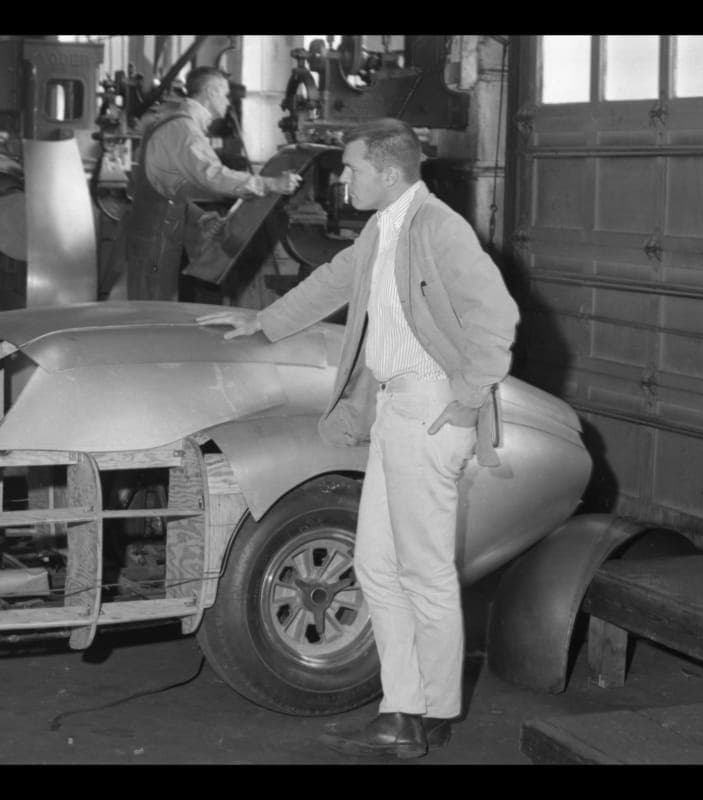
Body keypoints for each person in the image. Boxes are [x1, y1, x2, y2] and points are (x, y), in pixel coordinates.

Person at [196, 118, 519, 760]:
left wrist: (467, 398)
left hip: (431, 407)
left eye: (352, 169)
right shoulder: (382, 227)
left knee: (424, 571)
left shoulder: (440, 228)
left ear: (390, 173)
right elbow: (334, 281)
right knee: (375, 564)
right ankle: (404, 706)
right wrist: (262, 322)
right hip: (395, 409)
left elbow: (497, 314)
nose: (343, 179)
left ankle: (426, 712)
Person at [114, 66, 301, 301]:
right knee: (151, 313)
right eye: (224, 95)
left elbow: (165, 189)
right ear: (211, 92)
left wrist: (199, 217)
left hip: (155, 237)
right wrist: (270, 184)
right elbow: (213, 175)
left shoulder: (168, 123)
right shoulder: (184, 131)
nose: (228, 102)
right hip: (156, 242)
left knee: (153, 307)